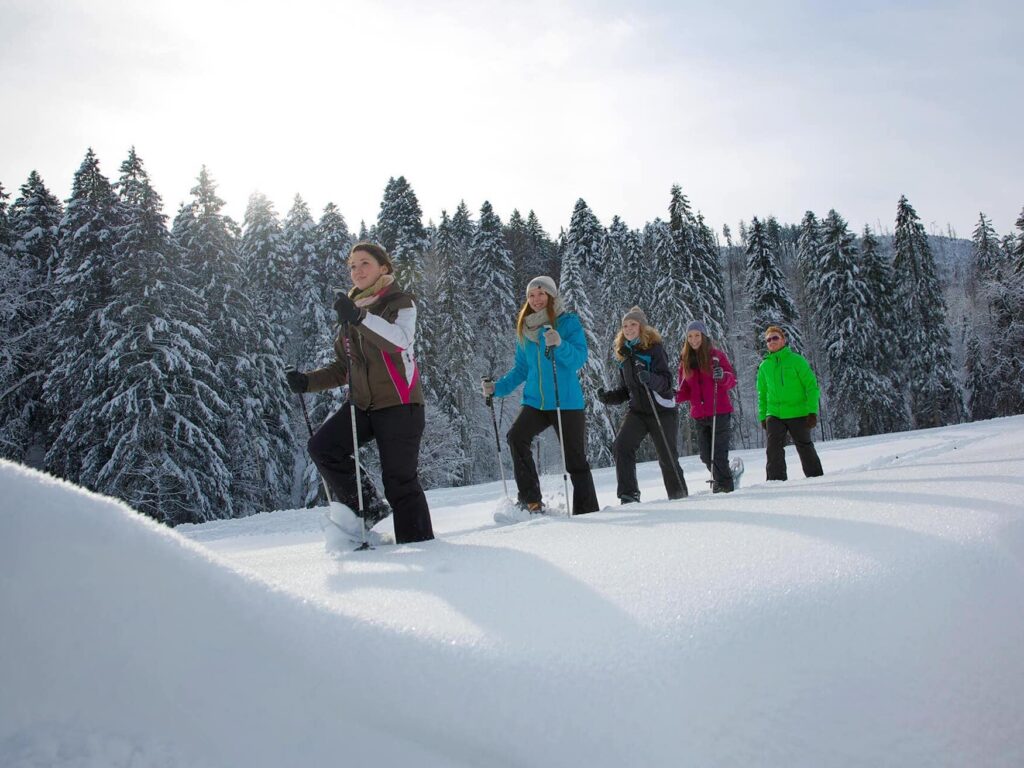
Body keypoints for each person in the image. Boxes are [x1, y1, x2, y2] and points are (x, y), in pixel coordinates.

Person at [285, 242, 434, 544]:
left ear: (384, 267)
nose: (357, 271)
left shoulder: (400, 303)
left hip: (400, 404)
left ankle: (421, 548)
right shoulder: (351, 312)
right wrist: (307, 382)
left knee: (399, 481)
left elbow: (399, 341)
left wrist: (359, 318)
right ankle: (368, 508)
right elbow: (344, 367)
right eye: (352, 265)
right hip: (363, 405)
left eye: (364, 263)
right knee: (323, 447)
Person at [481, 276, 599, 516]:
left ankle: (588, 511)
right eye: (531, 295)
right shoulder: (524, 329)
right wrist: (497, 388)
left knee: (575, 458)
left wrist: (560, 344)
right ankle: (530, 501)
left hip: (565, 401)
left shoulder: (567, 323)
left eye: (541, 293)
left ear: (551, 296)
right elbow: (521, 369)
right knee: (516, 437)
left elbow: (578, 359)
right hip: (536, 401)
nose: (536, 299)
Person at [597, 307, 687, 504]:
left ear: (642, 327)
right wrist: (608, 397)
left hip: (661, 409)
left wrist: (650, 378)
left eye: (633, 324)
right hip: (638, 411)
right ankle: (629, 495)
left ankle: (679, 495)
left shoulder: (654, 349)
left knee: (666, 455)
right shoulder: (625, 355)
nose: (628, 329)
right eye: (625, 326)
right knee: (621, 446)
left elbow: (666, 381)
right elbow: (625, 390)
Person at [676, 320, 742, 493]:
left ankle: (726, 487)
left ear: (704, 336)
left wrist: (722, 376)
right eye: (690, 336)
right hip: (699, 414)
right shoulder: (685, 361)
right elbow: (684, 390)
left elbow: (731, 380)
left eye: (697, 335)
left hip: (719, 411)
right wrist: (672, 396)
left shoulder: (716, 356)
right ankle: (726, 478)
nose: (693, 339)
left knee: (719, 455)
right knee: (706, 456)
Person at [756, 325, 824, 481]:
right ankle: (775, 482)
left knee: (804, 445)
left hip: (797, 411)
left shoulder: (797, 361)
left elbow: (811, 387)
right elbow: (762, 393)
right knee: (773, 449)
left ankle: (816, 478)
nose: (772, 342)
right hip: (774, 413)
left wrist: (812, 411)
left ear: (783, 340)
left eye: (775, 338)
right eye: (768, 340)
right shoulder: (764, 366)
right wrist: (762, 416)